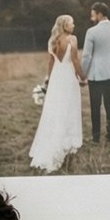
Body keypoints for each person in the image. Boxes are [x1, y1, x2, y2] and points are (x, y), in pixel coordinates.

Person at [28, 15, 85, 173]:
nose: (73, 25)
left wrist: (48, 79)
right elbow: (74, 60)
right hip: (67, 77)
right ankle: (67, 142)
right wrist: (83, 76)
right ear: (64, 25)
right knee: (69, 108)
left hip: (56, 78)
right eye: (71, 22)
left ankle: (55, 140)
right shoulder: (72, 39)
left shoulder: (53, 40)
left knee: (55, 109)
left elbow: (51, 62)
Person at [80, 0, 110, 146]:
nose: (91, 16)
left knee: (95, 105)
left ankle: (96, 137)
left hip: (96, 74)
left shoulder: (91, 32)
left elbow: (87, 56)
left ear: (99, 14)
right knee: (109, 104)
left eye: (93, 13)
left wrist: (82, 74)